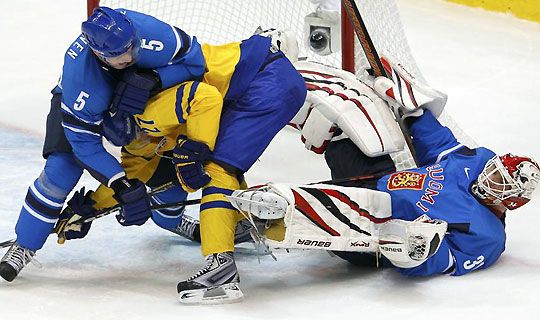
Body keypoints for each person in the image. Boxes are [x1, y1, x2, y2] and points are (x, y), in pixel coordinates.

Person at [227, 56, 540, 276]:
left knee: (343, 206)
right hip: (375, 177)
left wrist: (415, 253)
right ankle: (280, 79)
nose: (490, 176)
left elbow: (445, 261)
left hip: (373, 233)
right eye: (495, 171)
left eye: (499, 183)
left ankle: (253, 216)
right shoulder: (478, 160)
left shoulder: (488, 237)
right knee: (349, 110)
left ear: (510, 200)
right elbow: (439, 143)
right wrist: (410, 107)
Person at [0, 7, 207, 282]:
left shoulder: (151, 33)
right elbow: (84, 144)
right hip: (89, 112)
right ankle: (24, 244)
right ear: (98, 54)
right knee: (61, 170)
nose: (131, 58)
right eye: (121, 59)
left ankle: (171, 218)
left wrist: (156, 79)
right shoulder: (80, 78)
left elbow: (197, 62)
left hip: (146, 103)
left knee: (168, 162)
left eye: (133, 49)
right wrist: (120, 184)